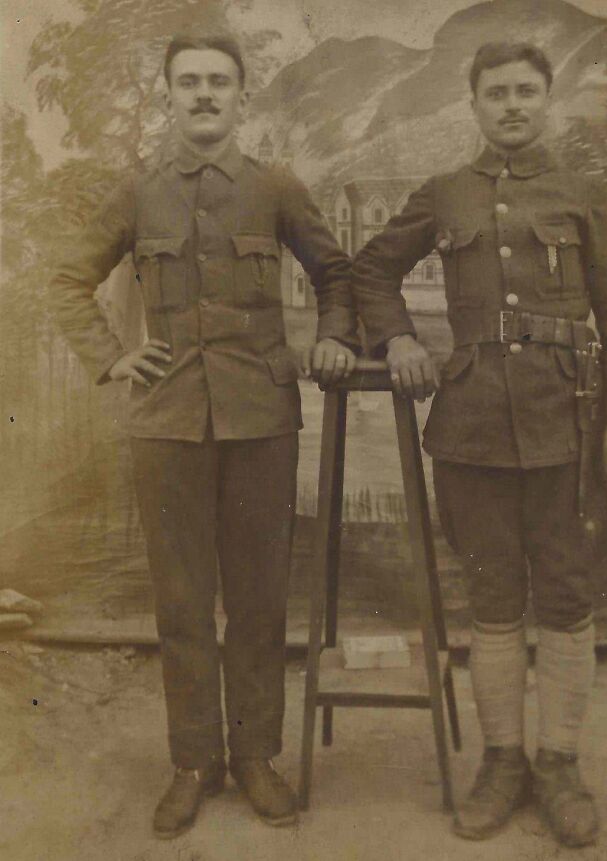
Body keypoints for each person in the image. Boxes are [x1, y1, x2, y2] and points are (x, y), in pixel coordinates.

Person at [51, 33, 358, 838]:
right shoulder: (137, 194)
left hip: (261, 418)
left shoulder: (276, 188)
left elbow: (338, 273)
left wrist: (334, 337)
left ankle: (255, 757)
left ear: (242, 96)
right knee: (182, 603)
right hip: (167, 424)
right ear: (170, 96)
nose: (204, 95)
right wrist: (113, 358)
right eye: (188, 82)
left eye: (219, 82)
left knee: (257, 600)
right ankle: (193, 762)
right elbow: (66, 278)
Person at [351, 42, 607, 848]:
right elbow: (372, 272)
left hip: (568, 426)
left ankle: (559, 764)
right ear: (474, 105)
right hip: (472, 426)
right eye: (496, 93)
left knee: (564, 596)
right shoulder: (446, 194)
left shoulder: (584, 194)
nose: (511, 105)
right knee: (490, 601)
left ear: (546, 99)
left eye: (525, 91)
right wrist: (400, 341)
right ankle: (503, 761)